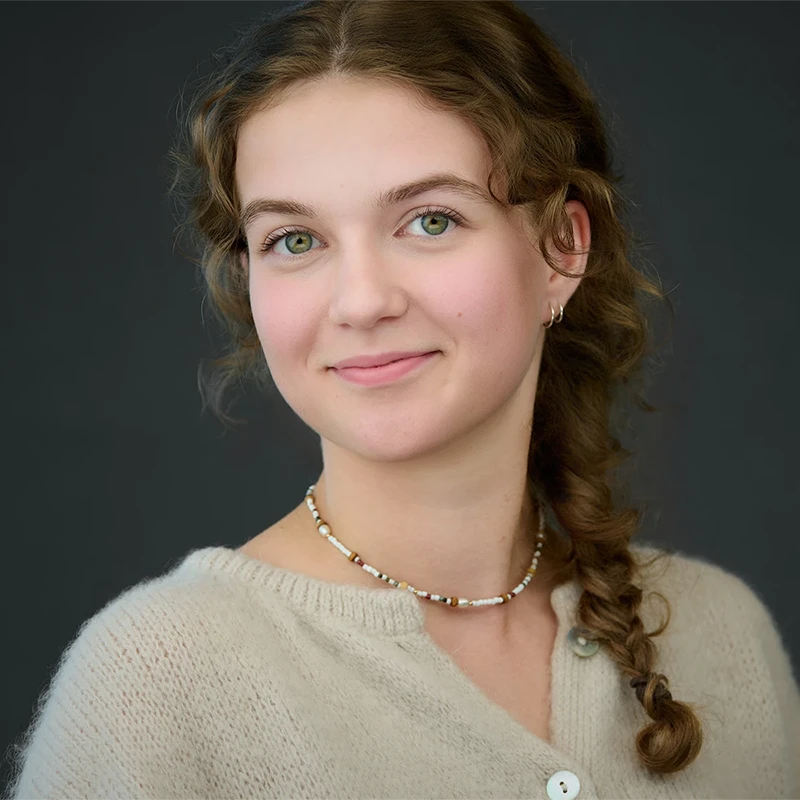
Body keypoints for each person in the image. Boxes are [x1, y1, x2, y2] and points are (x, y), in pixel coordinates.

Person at [5, 0, 799, 798]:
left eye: (429, 220)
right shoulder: (152, 686)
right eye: (295, 239)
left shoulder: (721, 636)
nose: (360, 302)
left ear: (562, 247)